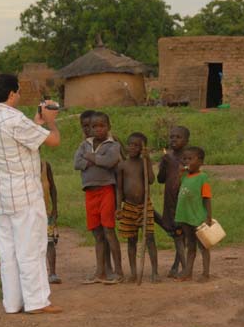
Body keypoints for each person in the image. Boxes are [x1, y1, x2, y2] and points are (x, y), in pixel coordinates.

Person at [0, 73, 62, 315]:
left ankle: (13, 302)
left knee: (8, 251)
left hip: (1, 195)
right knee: (31, 248)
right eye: (19, 92)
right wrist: (51, 120)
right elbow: (53, 141)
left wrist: (36, 123)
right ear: (12, 94)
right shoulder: (15, 120)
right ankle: (37, 301)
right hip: (24, 194)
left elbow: (22, 140)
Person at [74, 112, 123, 284]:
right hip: (90, 192)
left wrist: (91, 157)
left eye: (102, 126)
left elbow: (110, 162)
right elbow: (76, 163)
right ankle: (100, 271)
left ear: (108, 127)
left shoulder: (113, 144)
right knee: (97, 233)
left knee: (109, 230)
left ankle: (118, 272)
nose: (98, 129)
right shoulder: (84, 144)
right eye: (94, 126)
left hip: (106, 190)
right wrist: (95, 160)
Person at [116, 132, 159, 283]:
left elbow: (152, 180)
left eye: (137, 145)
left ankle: (155, 272)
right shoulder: (122, 166)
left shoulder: (143, 163)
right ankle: (133, 272)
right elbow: (120, 189)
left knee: (150, 238)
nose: (133, 147)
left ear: (143, 148)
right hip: (128, 206)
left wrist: (147, 160)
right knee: (131, 240)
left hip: (144, 206)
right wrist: (118, 207)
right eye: (130, 144)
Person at [154, 126, 190, 278]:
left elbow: (190, 177)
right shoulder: (168, 158)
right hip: (170, 201)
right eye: (171, 137)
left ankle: (185, 269)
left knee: (179, 234)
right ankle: (177, 267)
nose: (173, 140)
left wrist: (174, 163)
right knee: (177, 234)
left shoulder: (188, 158)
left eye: (178, 137)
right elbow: (161, 179)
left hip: (184, 201)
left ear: (186, 141)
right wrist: (163, 164)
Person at [174, 146, 212, 282]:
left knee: (203, 246)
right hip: (185, 216)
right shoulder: (184, 176)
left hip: (197, 217)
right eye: (184, 159)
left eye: (190, 159)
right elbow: (177, 189)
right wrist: (179, 175)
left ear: (200, 161)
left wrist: (208, 217)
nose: (186, 162)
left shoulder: (203, 177)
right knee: (190, 245)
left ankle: (206, 273)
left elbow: (207, 198)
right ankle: (188, 272)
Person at [41, 157, 61, 284]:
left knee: (49, 242)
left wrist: (54, 208)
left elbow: (52, 187)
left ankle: (52, 273)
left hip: (46, 212)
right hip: (29, 213)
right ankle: (39, 274)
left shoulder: (45, 165)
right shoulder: (24, 165)